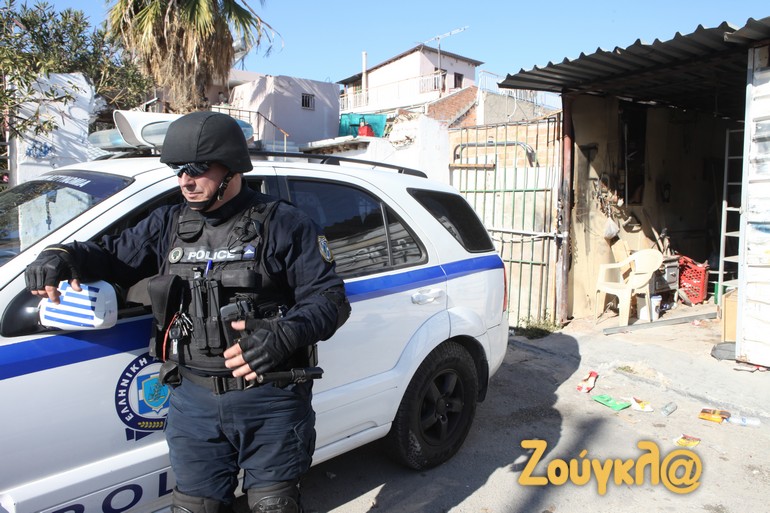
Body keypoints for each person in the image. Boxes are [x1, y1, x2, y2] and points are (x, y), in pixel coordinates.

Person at [24, 111, 351, 513]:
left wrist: (284, 334)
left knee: (275, 506)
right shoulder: (169, 223)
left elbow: (329, 299)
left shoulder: (284, 223)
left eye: (198, 169)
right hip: (192, 403)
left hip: (269, 400)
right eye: (180, 170)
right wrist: (62, 255)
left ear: (232, 169)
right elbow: (110, 256)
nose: (185, 180)